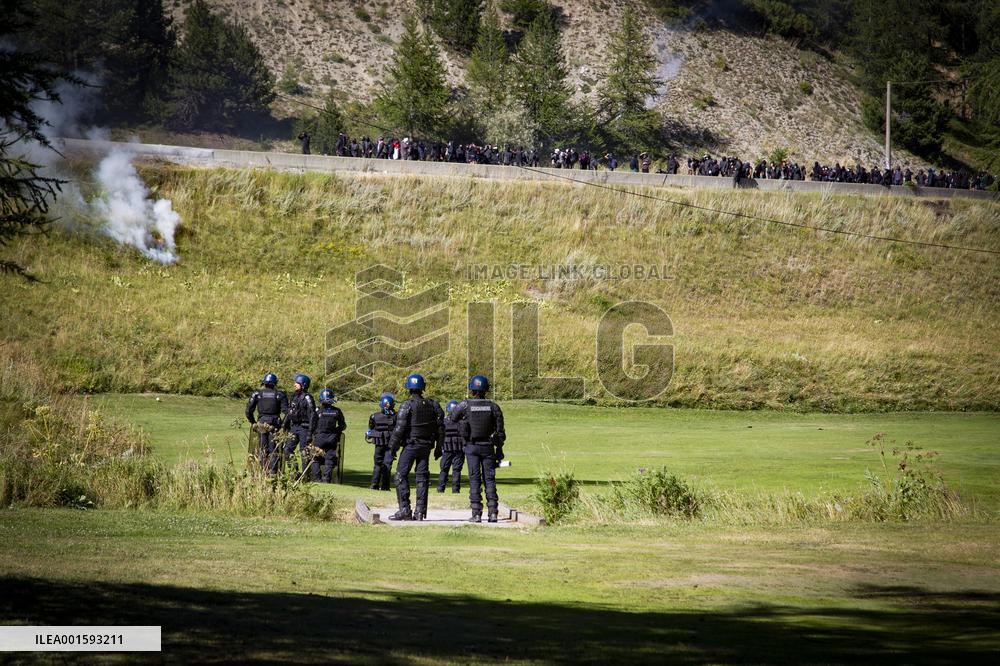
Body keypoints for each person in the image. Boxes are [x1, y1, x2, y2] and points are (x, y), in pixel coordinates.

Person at [387, 374, 445, 521]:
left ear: (409, 388)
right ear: (422, 388)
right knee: (422, 478)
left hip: (411, 445)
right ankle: (420, 511)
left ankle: (405, 510)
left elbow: (399, 430)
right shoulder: (433, 405)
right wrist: (439, 447)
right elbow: (441, 428)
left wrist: (392, 449)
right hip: (425, 446)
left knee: (400, 476)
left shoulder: (407, 405)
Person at [451, 375, 506, 523]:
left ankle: (476, 513)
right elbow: (500, 432)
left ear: (472, 389)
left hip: (471, 446)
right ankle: (493, 513)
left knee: (474, 479)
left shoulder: (465, 405)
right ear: (486, 389)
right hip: (488, 447)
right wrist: (499, 448)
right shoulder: (493, 407)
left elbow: (453, 417)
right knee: (489, 479)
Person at [245, 373, 288, 473]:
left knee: (262, 448)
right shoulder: (280, 394)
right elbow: (287, 412)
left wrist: (253, 422)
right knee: (274, 449)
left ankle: (262, 471)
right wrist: (283, 425)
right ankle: (273, 472)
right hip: (275, 424)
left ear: (264, 383)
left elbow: (248, 411)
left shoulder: (257, 394)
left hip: (261, 423)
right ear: (275, 383)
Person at [282, 374, 317, 478]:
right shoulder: (294, 396)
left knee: (304, 453)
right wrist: (284, 425)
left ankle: (305, 476)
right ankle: (295, 473)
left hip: (304, 428)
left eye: (297, 383)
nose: (294, 385)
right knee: (287, 449)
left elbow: (313, 415)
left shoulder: (308, 398)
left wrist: (310, 432)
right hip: (294, 427)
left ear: (303, 385)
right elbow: (290, 412)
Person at [311, 389, 346, 483]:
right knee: (329, 459)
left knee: (315, 458)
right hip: (332, 438)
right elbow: (343, 426)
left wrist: (313, 433)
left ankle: (317, 478)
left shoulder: (317, 410)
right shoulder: (337, 411)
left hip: (319, 437)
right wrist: (335, 431)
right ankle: (326, 479)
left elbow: (312, 424)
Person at [366, 393, 397, 490]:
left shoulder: (374, 416)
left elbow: (371, 428)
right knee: (387, 464)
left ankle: (374, 484)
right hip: (391, 444)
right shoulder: (396, 416)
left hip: (378, 443)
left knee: (377, 464)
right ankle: (385, 486)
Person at [437, 400, 468, 494]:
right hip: (459, 449)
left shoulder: (444, 421)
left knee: (444, 469)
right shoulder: (462, 422)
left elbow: (440, 434)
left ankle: (440, 488)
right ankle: (455, 490)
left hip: (447, 449)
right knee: (456, 470)